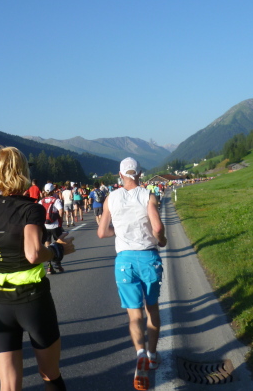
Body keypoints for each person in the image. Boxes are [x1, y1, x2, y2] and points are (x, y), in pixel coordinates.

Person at [0, 146, 75, 391]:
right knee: (50, 374)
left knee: (8, 385)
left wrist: (2, 257)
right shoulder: (31, 209)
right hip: (32, 301)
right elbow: (33, 254)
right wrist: (59, 249)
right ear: (22, 173)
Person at [97, 157, 167, 391]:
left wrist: (120, 229)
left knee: (134, 314)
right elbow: (157, 228)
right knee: (152, 309)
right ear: (139, 173)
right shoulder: (148, 196)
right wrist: (162, 240)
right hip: (148, 258)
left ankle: (140, 353)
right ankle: (152, 356)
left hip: (124, 261)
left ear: (120, 175)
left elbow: (101, 232)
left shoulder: (111, 198)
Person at [38, 183, 65, 274]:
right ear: (53, 191)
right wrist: (61, 219)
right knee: (58, 243)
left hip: (45, 225)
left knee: (47, 244)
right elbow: (61, 210)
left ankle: (49, 266)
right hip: (55, 225)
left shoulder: (41, 201)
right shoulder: (56, 200)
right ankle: (58, 263)